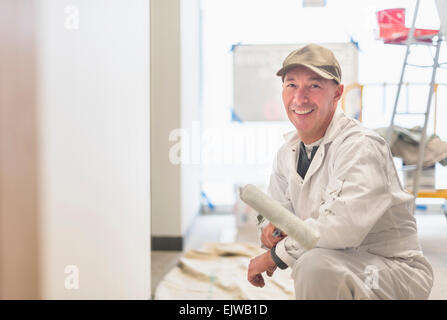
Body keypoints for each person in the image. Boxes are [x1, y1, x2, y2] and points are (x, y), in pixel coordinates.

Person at [246, 43, 434, 299]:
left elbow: (340, 227)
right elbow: (279, 211)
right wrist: (271, 228)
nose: (300, 98)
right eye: (292, 85)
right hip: (340, 260)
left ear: (337, 93)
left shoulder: (361, 147)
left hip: (391, 270)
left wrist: (274, 257)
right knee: (314, 262)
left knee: (314, 267)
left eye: (314, 85)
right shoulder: (287, 151)